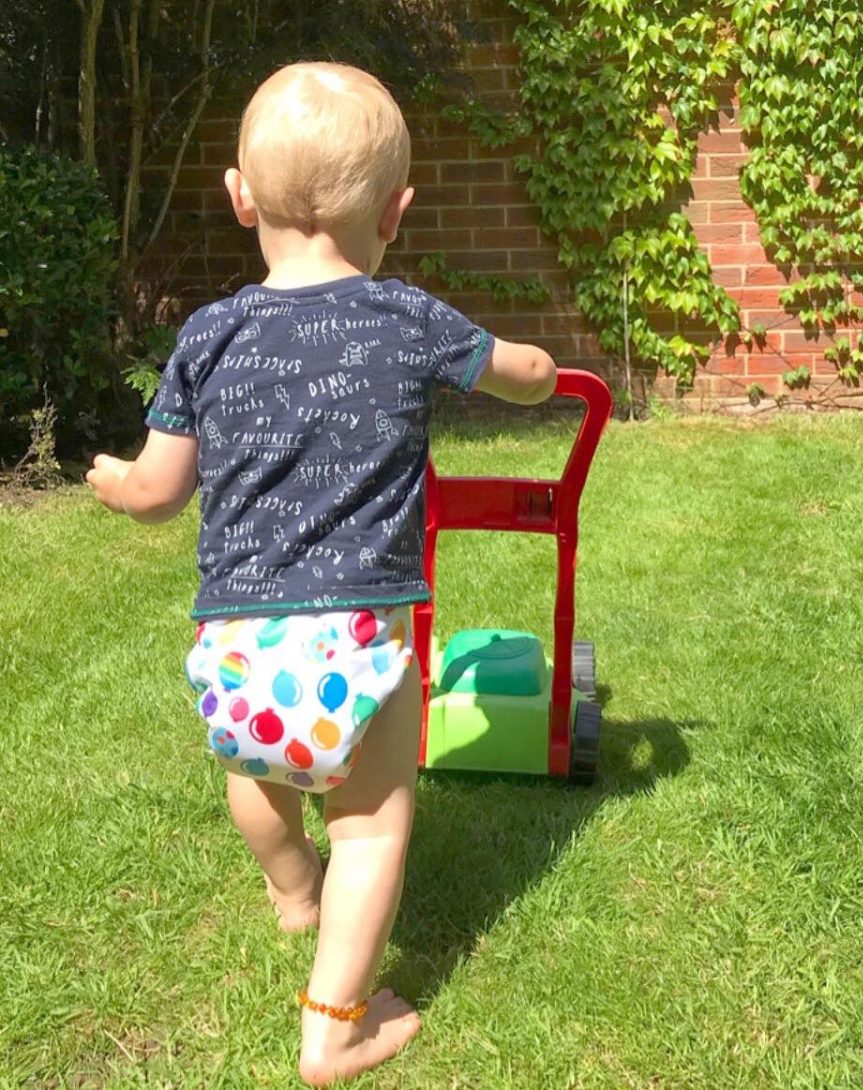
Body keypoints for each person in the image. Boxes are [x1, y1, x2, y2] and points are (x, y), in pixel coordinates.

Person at [86, 60, 556, 1084]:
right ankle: (335, 1027)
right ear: (398, 209)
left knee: (257, 777)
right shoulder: (408, 317)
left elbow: (163, 488)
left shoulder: (206, 336)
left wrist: (118, 482)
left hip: (233, 648)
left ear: (239, 197)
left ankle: (291, 890)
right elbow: (514, 372)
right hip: (357, 643)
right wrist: (542, 373)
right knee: (374, 826)